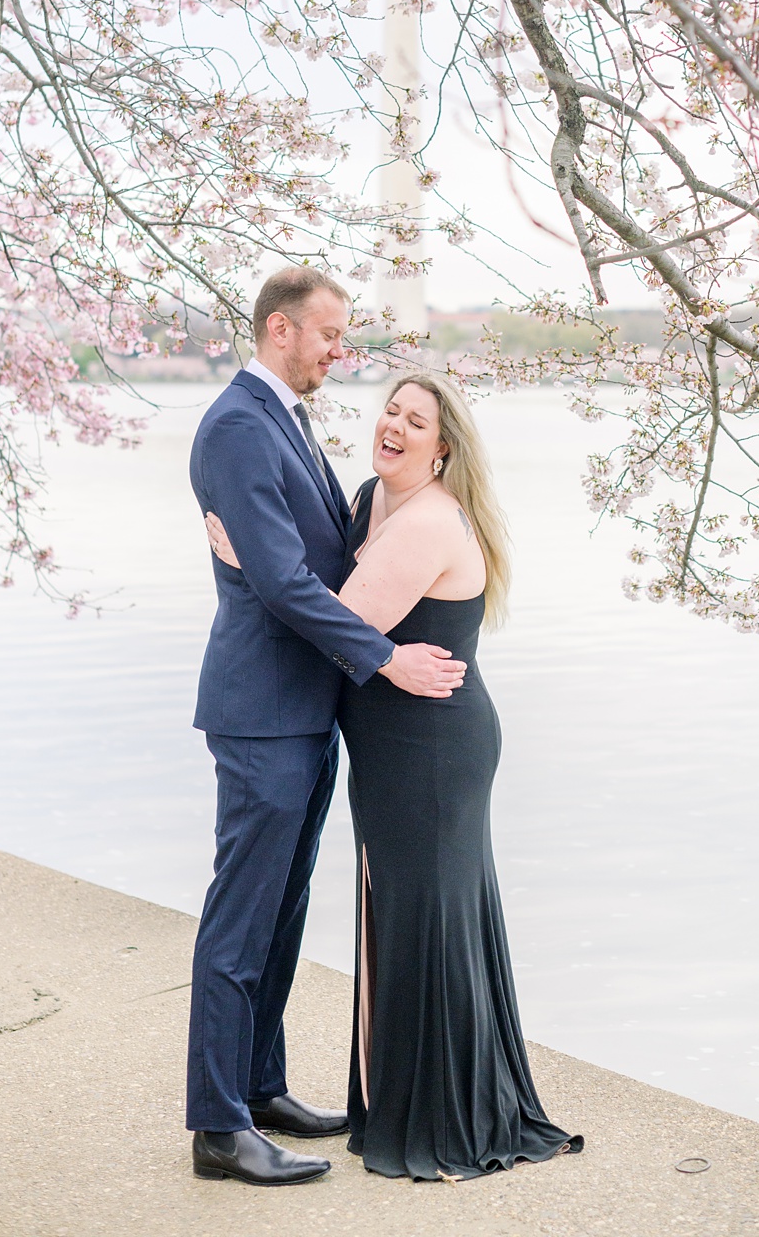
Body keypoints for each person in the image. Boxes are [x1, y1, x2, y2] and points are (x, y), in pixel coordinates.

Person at [210, 371, 582, 1180]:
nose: (396, 427)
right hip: (391, 746)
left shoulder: (426, 523)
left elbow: (336, 624)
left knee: (424, 923)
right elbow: (324, 580)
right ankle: (404, 1098)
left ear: (443, 450)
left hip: (432, 750)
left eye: (418, 422)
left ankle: (443, 1117)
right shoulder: (368, 502)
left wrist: (246, 559)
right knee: (401, 920)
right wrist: (271, 563)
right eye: (392, 410)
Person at [183, 268, 466, 1188]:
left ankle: (260, 1086)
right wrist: (386, 659)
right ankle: (219, 1128)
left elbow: (324, 557)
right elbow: (283, 581)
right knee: (241, 917)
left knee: (283, 910)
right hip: (263, 708)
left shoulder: (287, 421)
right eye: (330, 336)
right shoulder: (235, 425)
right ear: (279, 330)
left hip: (302, 709)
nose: (340, 352)